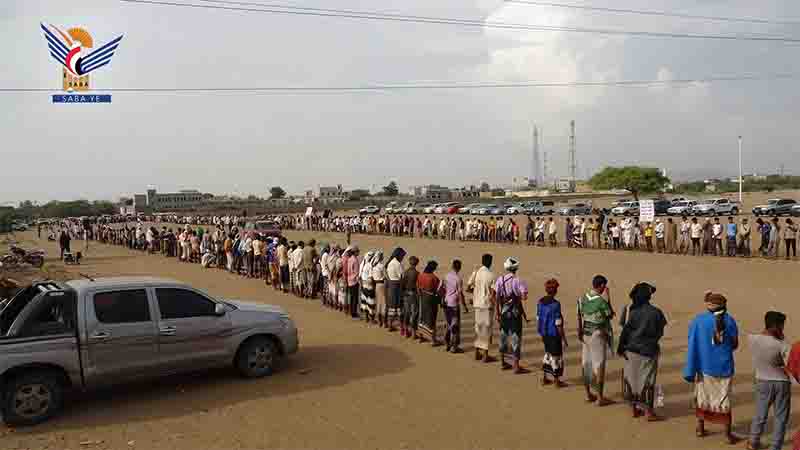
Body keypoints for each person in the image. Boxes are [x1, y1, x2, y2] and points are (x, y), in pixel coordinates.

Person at [683, 292, 740, 445]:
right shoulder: (730, 321)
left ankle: (700, 428)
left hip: (704, 366)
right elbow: (734, 344)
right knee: (724, 399)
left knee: (703, 397)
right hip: (724, 367)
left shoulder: (698, 320)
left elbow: (692, 342)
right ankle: (727, 434)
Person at [617, 282, 666, 421]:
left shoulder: (632, 311)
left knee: (633, 379)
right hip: (649, 350)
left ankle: (634, 409)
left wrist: (621, 347)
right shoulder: (656, 312)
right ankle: (649, 412)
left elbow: (625, 331)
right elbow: (660, 332)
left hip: (631, 350)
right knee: (648, 381)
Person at [747, 311, 791, 450]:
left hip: (762, 381)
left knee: (760, 414)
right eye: (781, 326)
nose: (783, 328)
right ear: (775, 326)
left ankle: (753, 442)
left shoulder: (752, 339)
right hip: (781, 382)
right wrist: (782, 339)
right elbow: (788, 364)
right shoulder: (781, 345)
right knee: (780, 417)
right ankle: (775, 446)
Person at [578, 275, 614, 406]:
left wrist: (580, 330)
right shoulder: (601, 301)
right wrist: (608, 298)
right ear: (602, 285)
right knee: (599, 365)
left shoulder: (582, 298)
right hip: (597, 335)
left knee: (586, 363)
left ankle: (588, 394)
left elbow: (579, 315)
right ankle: (600, 398)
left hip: (585, 333)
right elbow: (610, 314)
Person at [495, 257, 529, 374]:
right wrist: (517, 296)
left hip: (504, 311)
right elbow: (524, 297)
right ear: (516, 268)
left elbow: (497, 297)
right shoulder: (518, 281)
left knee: (503, 336)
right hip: (515, 313)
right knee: (516, 337)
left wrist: (497, 312)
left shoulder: (500, 279)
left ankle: (502, 362)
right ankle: (516, 366)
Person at [537, 279, 567, 387]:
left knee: (548, 354)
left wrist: (541, 332)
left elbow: (538, 318)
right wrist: (563, 338)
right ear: (555, 291)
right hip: (553, 334)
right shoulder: (556, 304)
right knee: (556, 356)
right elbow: (558, 323)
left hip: (544, 333)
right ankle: (556, 381)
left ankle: (545, 378)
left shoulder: (540, 302)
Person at [468, 253, 496, 363]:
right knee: (486, 330)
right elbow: (493, 293)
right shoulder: (491, 275)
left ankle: (476, 352)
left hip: (477, 304)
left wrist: (476, 293)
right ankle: (485, 355)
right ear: (490, 262)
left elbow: (468, 286)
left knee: (478, 328)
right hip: (487, 305)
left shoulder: (476, 272)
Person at [442, 259, 469, 353]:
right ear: (459, 267)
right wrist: (464, 306)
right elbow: (460, 294)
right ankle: (454, 347)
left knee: (448, 324)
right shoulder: (458, 279)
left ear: (452, 266)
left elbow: (443, 289)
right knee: (455, 326)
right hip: (454, 304)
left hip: (446, 303)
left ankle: (447, 344)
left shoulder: (446, 276)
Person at [417, 260, 442, 346]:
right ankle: (433, 340)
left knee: (423, 317)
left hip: (423, 297)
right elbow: (438, 290)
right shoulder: (434, 278)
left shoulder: (420, 275)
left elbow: (418, 287)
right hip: (431, 299)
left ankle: (421, 337)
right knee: (431, 319)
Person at [385, 248, 406, 333]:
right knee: (399, 307)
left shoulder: (390, 263)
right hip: (397, 286)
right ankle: (402, 327)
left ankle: (390, 325)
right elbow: (402, 276)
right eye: (402, 256)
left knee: (392, 306)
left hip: (390, 285)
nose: (403, 258)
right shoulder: (397, 264)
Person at [401, 256, 420, 340]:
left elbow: (402, 284)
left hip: (406, 294)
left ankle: (406, 332)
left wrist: (404, 293)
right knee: (414, 314)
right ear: (416, 264)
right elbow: (418, 286)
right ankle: (413, 334)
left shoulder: (406, 272)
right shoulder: (417, 273)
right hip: (413, 295)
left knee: (407, 313)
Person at [371, 251, 387, 326]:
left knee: (378, 302)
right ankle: (384, 322)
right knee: (383, 303)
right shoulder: (381, 266)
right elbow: (385, 276)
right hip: (382, 284)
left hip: (376, 285)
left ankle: (379, 321)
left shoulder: (374, 266)